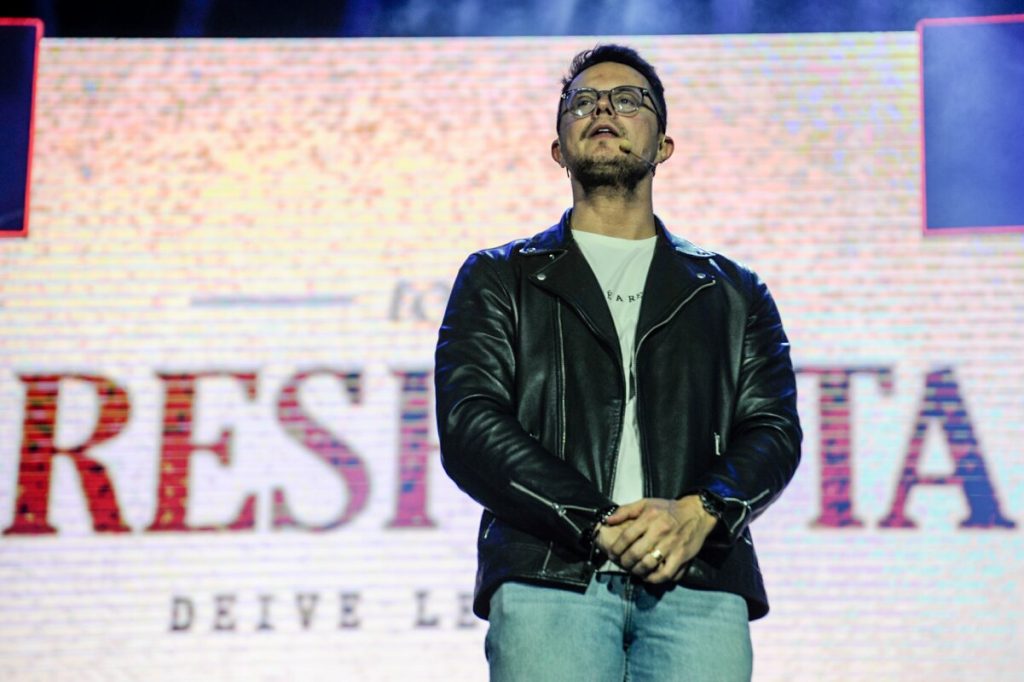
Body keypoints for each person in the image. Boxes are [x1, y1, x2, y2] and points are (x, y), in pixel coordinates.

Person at [434, 44, 801, 681]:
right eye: (582, 102)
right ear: (558, 150)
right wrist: (596, 521)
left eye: (629, 100)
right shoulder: (500, 278)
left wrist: (701, 513)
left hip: (698, 579)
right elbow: (470, 426)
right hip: (549, 579)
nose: (604, 108)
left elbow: (773, 430)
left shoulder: (732, 290)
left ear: (664, 145)